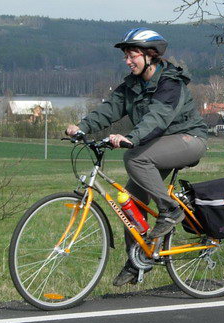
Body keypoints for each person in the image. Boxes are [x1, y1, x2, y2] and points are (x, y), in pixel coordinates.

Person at [66, 28, 209, 286]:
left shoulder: (170, 83)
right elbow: (109, 109)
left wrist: (131, 138)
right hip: (157, 144)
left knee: (134, 158)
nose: (128, 61)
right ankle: (137, 260)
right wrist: (82, 127)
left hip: (189, 140)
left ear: (150, 56)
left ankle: (171, 209)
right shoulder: (131, 85)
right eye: (126, 57)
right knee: (130, 203)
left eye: (132, 56)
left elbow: (158, 117)